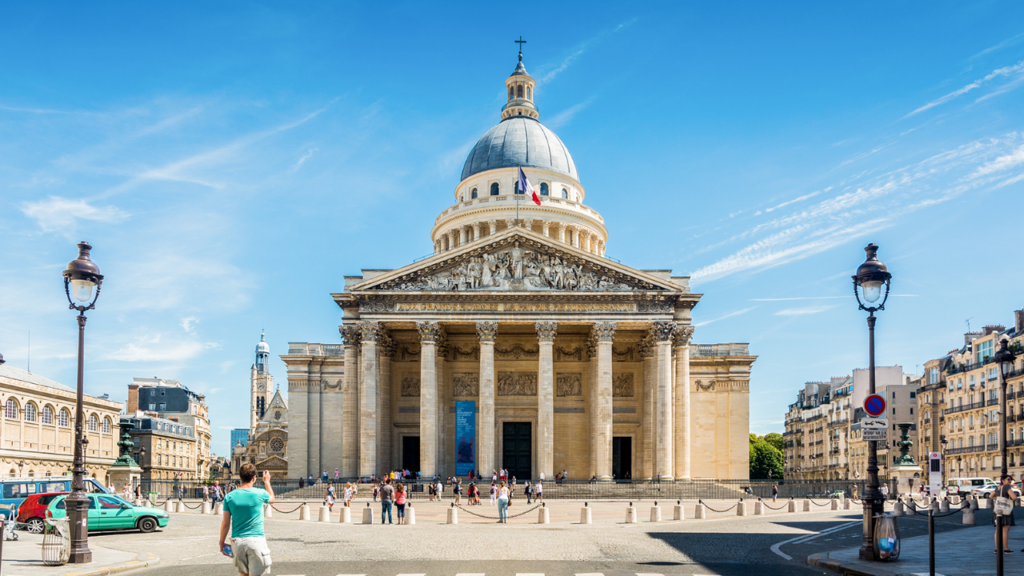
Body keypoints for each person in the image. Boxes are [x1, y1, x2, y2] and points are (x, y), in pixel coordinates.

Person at [219, 464, 275, 576]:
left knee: (244, 574)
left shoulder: (229, 496)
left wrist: (221, 542)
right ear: (254, 478)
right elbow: (272, 499)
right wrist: (267, 481)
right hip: (256, 540)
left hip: (238, 542)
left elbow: (225, 523)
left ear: (240, 477)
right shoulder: (260, 493)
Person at [991, 475, 1018, 553]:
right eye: (1008, 479)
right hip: (1005, 511)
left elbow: (991, 496)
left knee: (998, 530)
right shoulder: (1007, 487)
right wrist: (1007, 499)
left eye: (1010, 479)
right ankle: (1006, 549)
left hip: (997, 511)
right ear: (1003, 480)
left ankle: (997, 549)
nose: (1010, 481)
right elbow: (1014, 497)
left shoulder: (998, 488)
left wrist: (998, 498)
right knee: (1005, 530)